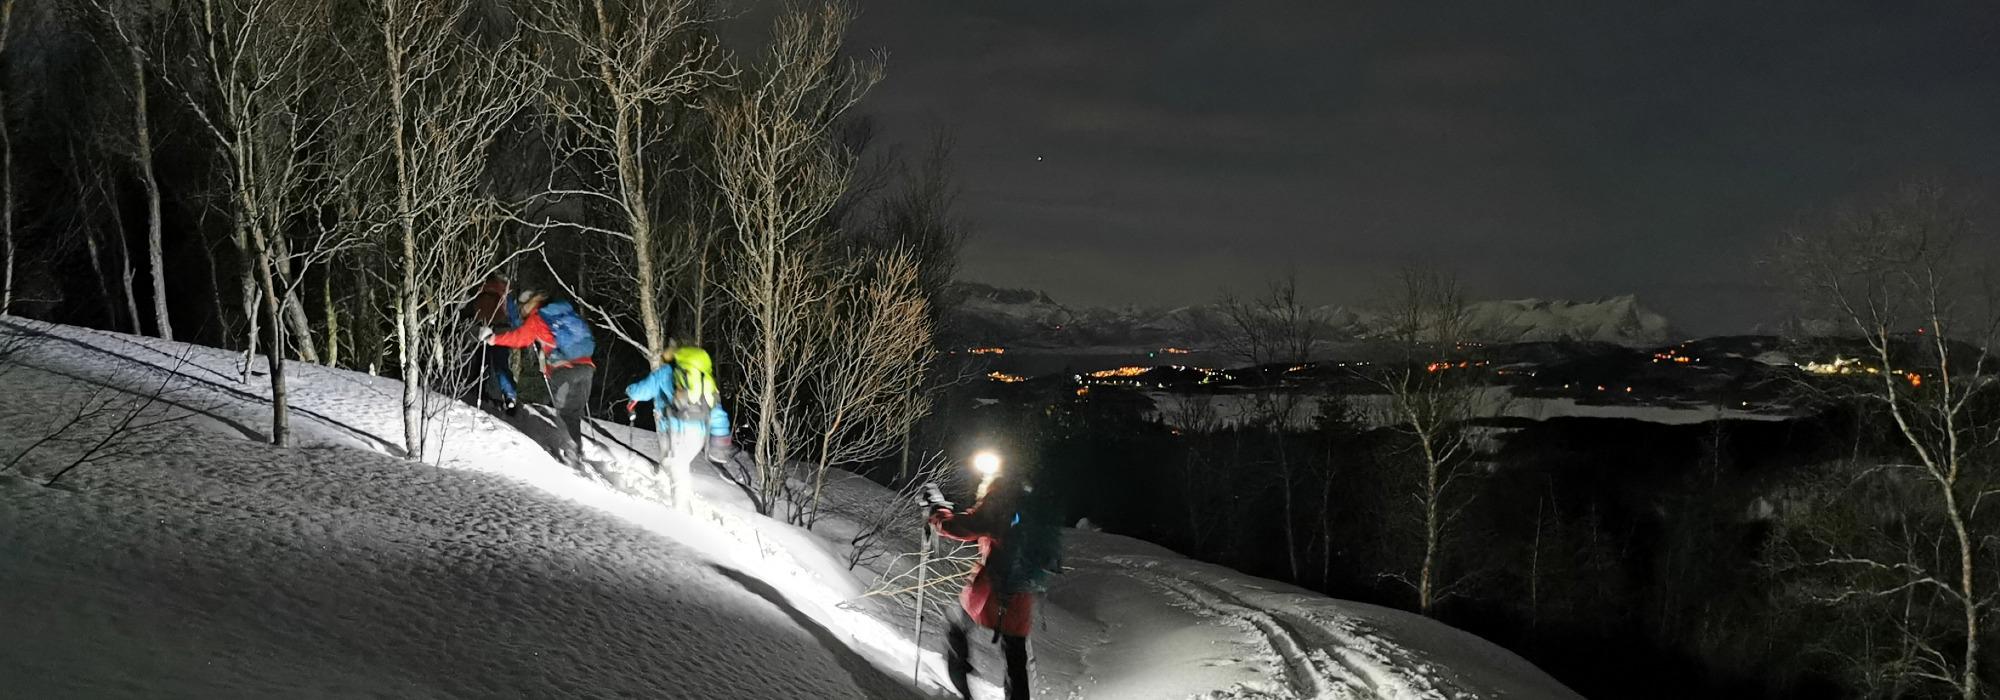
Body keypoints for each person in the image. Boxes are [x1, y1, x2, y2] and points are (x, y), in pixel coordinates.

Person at [924, 454, 1062, 700]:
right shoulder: (1030, 502)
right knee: (1016, 657)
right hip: (1021, 591)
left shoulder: (1002, 498)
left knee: (956, 626)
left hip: (991, 591)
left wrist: (938, 512)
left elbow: (967, 526)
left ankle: (962, 690)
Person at [483, 290, 596, 468]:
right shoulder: (563, 311)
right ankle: (576, 450)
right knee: (573, 413)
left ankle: (572, 453)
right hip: (587, 367)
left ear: (527, 304)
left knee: (564, 413)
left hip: (565, 370)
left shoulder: (537, 318)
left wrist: (494, 339)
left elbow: (520, 338)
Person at [466, 276, 522, 414]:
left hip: (482, 329)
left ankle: (478, 390)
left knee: (481, 361)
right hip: (501, 331)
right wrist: (518, 329)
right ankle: (509, 397)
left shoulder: (481, 289)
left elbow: (471, 309)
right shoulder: (504, 292)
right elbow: (513, 315)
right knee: (500, 365)